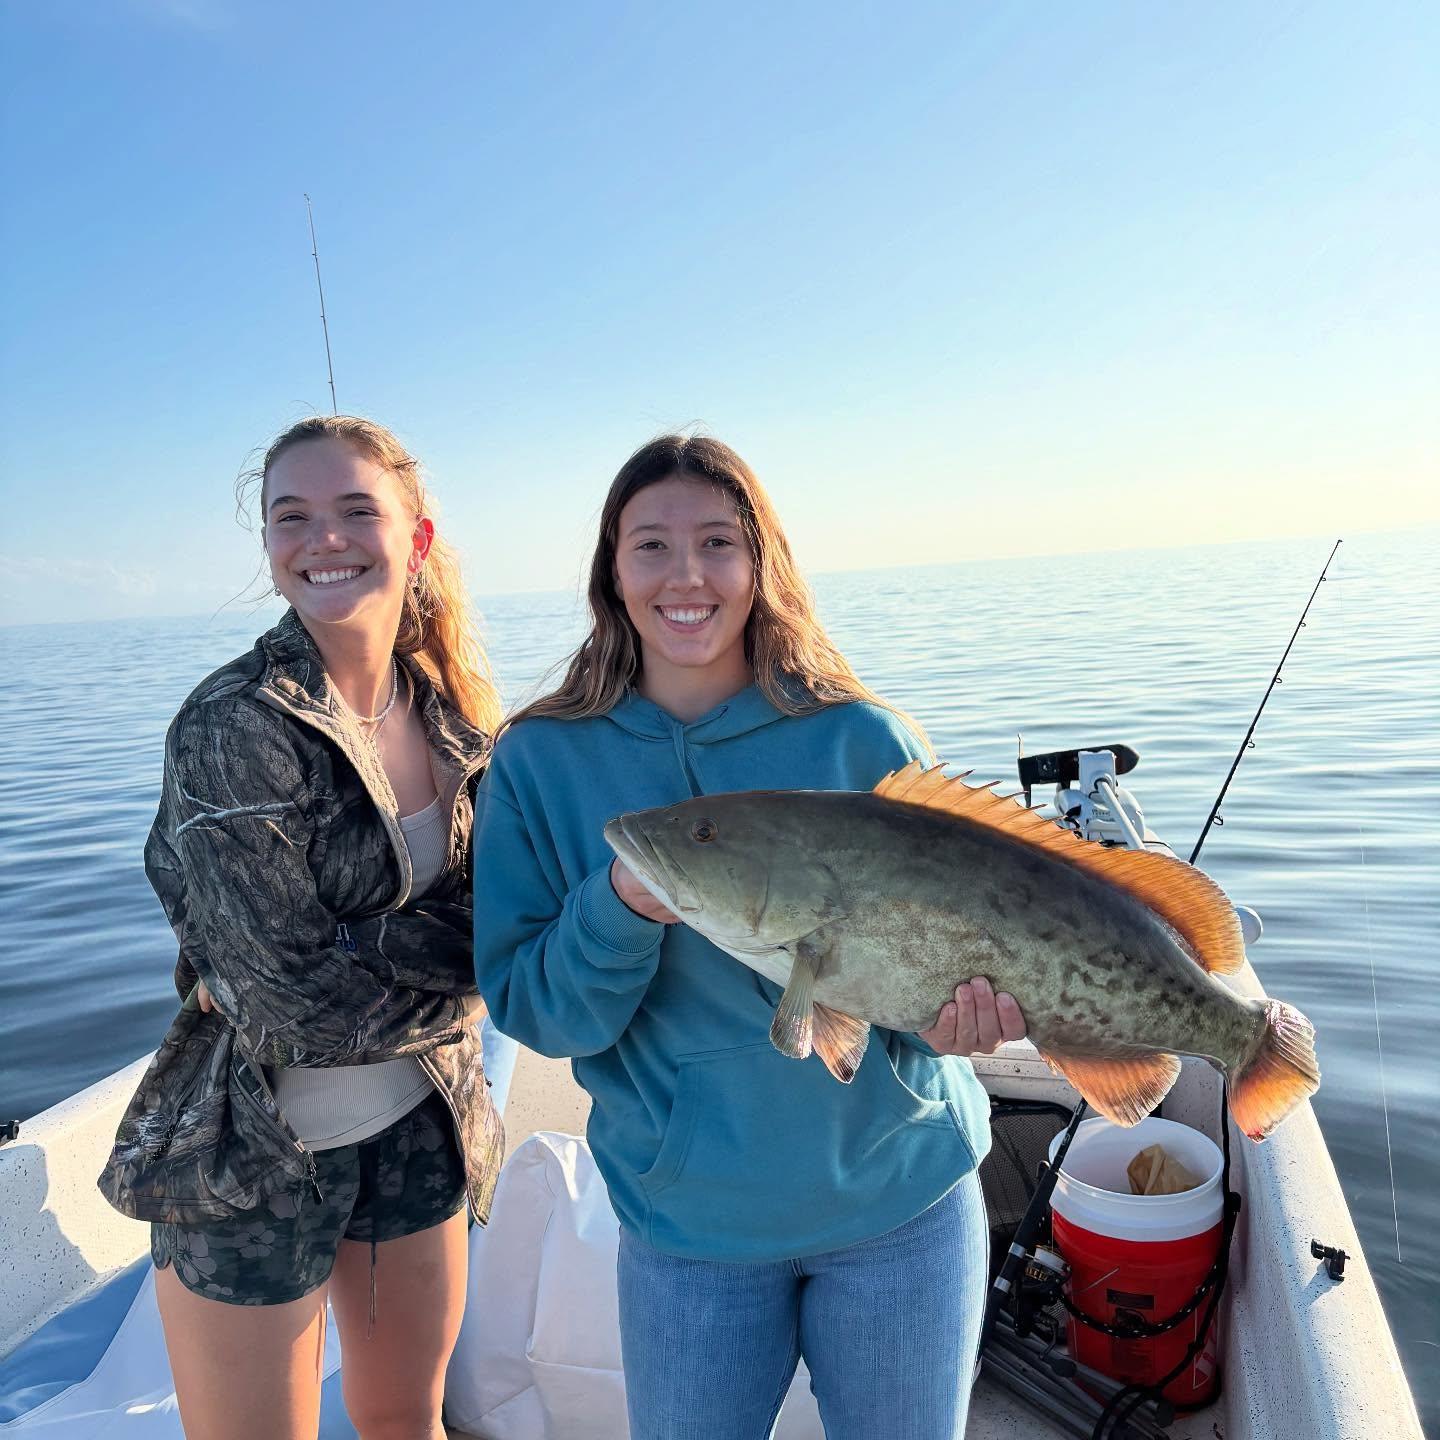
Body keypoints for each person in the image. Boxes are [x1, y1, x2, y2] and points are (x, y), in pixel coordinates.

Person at [471, 434, 1028, 1440]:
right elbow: (539, 1016)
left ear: (760, 562)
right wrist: (619, 907)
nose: (685, 575)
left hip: (903, 1204)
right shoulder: (538, 761)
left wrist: (955, 1020)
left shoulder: (864, 738)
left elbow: (951, 951)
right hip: (691, 1230)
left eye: (718, 543)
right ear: (611, 571)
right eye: (651, 545)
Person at [99, 415, 509, 1440]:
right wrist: (473, 969)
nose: (324, 538)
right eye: (293, 517)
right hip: (253, 1157)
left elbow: (512, 916)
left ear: (415, 538)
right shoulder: (231, 724)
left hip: (419, 1126)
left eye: (356, 510)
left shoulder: (457, 717)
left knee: (407, 1420)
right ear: (270, 546)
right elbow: (291, 1004)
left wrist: (363, 944)